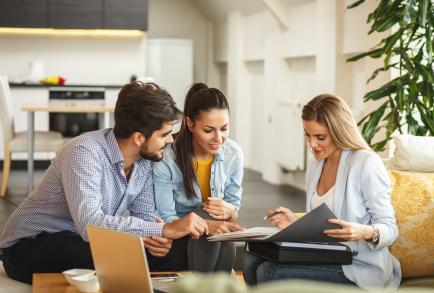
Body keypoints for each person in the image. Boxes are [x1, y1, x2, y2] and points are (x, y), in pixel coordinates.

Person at [0, 81, 209, 284]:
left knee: (180, 251)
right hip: (29, 244)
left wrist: (159, 239)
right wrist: (164, 230)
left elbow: (146, 218)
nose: (171, 140)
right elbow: (90, 224)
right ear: (138, 138)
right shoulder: (84, 151)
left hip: (83, 240)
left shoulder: (145, 162)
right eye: (164, 135)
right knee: (110, 256)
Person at [244, 94, 401, 289]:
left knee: (270, 272)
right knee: (252, 260)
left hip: (358, 265)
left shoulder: (366, 163)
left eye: (320, 137)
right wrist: (296, 222)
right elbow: (324, 223)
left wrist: (363, 231)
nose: (312, 144)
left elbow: (390, 229)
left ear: (339, 131)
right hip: (327, 256)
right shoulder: (316, 165)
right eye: (307, 135)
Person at [153, 83, 244, 272]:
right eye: (209, 130)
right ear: (190, 124)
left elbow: (233, 209)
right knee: (206, 212)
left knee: (216, 217)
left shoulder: (234, 154)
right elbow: (166, 217)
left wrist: (229, 211)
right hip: (180, 234)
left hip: (213, 237)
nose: (218, 138)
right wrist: (206, 224)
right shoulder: (167, 159)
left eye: (224, 129)